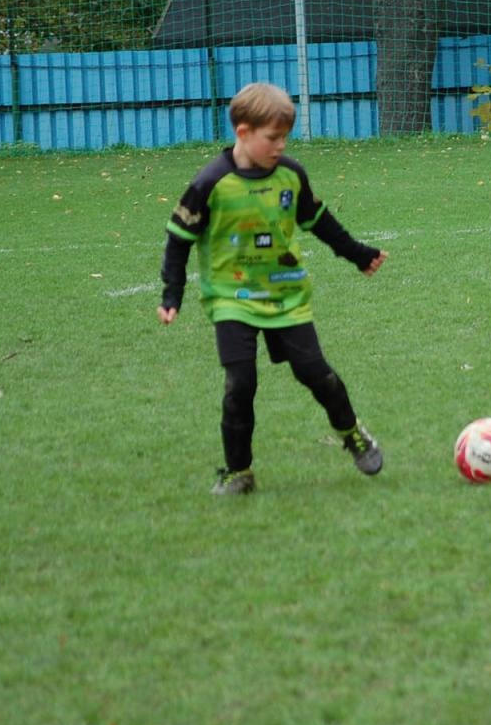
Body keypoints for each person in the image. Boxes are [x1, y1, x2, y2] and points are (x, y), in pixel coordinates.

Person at [158, 82, 388, 495]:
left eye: (285, 137)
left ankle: (353, 434)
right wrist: (172, 293)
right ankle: (238, 472)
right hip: (232, 298)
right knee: (240, 384)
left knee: (316, 374)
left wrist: (357, 254)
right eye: (273, 137)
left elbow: (319, 222)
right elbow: (179, 239)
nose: (281, 145)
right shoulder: (211, 181)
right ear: (243, 132)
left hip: (286, 296)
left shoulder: (290, 175)